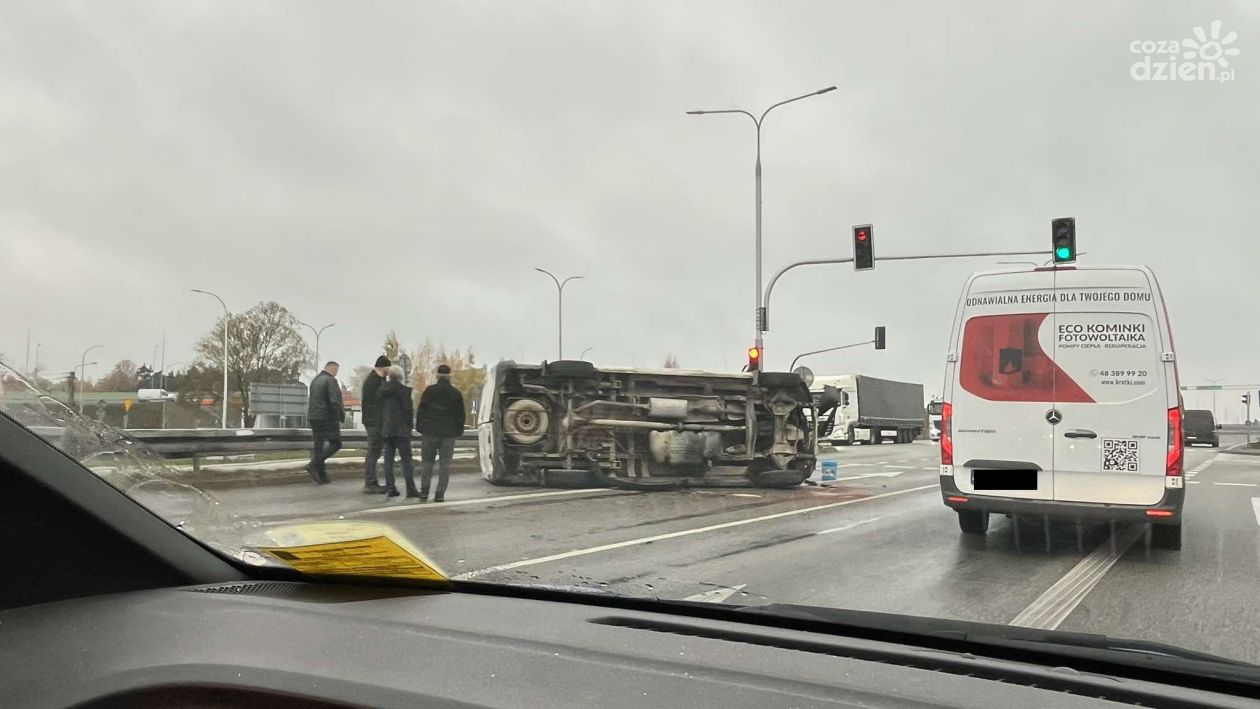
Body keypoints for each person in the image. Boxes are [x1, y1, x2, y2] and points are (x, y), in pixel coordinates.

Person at [414, 363, 465, 503]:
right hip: (448, 434)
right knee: (445, 465)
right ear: (450, 376)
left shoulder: (429, 391)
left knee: (427, 464)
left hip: (430, 433)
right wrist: (458, 431)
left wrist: (420, 427)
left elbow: (421, 411)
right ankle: (440, 494)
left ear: (437, 376)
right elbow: (460, 415)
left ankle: (424, 492)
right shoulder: (456, 394)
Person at [378, 365, 420, 499]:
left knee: (388, 460)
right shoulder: (404, 391)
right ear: (401, 376)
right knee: (406, 460)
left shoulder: (382, 391)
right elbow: (408, 412)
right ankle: (410, 488)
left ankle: (390, 488)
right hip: (401, 431)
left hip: (387, 430)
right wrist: (409, 428)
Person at [306, 361, 344, 485]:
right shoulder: (331, 381)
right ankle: (314, 464)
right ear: (333, 369)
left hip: (314, 417)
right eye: (336, 371)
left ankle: (322, 476)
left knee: (319, 447)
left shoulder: (315, 380)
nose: (336, 373)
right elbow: (334, 402)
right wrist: (338, 417)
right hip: (327, 418)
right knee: (336, 443)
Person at [359, 355, 391, 494]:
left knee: (375, 451)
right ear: (383, 367)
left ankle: (372, 481)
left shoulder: (377, 379)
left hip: (374, 421)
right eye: (388, 367)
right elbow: (377, 401)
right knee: (373, 451)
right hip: (374, 422)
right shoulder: (373, 381)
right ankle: (370, 483)